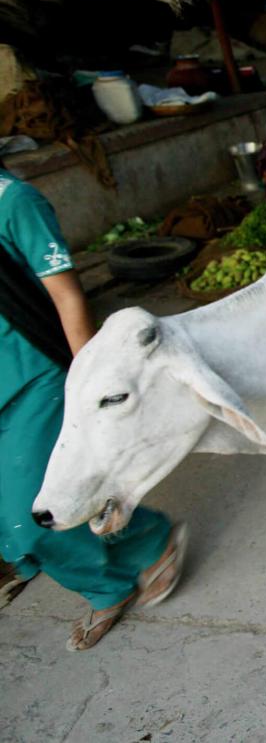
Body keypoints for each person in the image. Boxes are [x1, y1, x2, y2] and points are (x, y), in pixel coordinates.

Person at [0, 161, 187, 650]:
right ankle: (115, 564)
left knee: (33, 513)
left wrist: (87, 386)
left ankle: (143, 548)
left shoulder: (13, 202)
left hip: (31, 377)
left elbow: (65, 297)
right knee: (10, 519)